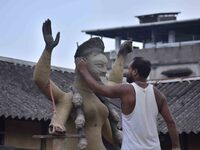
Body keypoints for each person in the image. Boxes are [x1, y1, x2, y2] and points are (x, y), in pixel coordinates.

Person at [33, 19, 132, 150]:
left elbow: (114, 84)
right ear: (81, 63)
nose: (103, 70)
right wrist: (48, 49)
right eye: (99, 65)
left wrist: (121, 55)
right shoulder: (68, 99)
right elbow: (41, 81)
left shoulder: (100, 100)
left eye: (105, 66)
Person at [76, 56, 181, 150]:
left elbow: (99, 89)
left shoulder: (127, 90)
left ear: (135, 72)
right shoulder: (158, 95)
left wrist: (83, 70)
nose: (127, 72)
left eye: (129, 69)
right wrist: (176, 146)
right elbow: (171, 122)